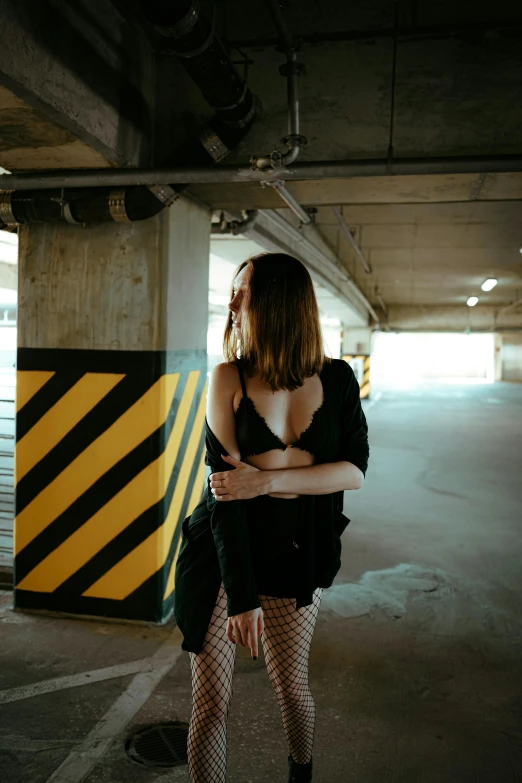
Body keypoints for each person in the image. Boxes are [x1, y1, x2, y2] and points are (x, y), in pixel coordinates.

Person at [174, 252, 369, 782]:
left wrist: (265, 480)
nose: (232, 302)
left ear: (282, 303)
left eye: (245, 291)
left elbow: (353, 471)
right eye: (233, 292)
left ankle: (299, 775)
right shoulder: (226, 378)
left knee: (292, 689)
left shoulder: (339, 379)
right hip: (221, 551)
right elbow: (225, 496)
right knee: (211, 703)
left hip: (296, 551)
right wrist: (241, 597)